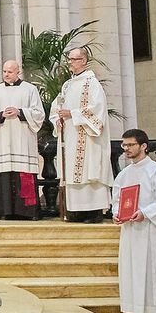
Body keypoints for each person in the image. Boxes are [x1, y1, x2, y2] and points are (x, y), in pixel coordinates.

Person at [112, 129, 156, 313]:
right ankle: (136, 311)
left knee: (151, 269)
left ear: (144, 146)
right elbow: (116, 199)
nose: (126, 149)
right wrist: (116, 213)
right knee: (131, 269)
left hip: (150, 229)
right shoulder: (124, 174)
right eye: (124, 145)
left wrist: (145, 213)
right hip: (130, 230)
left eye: (131, 145)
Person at [51, 47, 112, 220]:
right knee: (73, 173)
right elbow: (57, 106)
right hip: (70, 136)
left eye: (73, 59)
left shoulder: (92, 84)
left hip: (88, 138)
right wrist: (58, 118)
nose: (70, 62)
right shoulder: (67, 85)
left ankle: (94, 212)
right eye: (69, 59)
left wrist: (73, 114)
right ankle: (76, 211)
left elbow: (98, 111)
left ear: (84, 61)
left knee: (89, 172)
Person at [0, 60, 46, 219]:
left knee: (24, 174)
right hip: (3, 140)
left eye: (9, 71)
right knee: (3, 176)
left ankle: (27, 212)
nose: (6, 74)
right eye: (4, 71)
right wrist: (0, 114)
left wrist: (20, 112)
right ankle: (4, 212)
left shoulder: (30, 90)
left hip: (22, 140)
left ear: (18, 72)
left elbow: (39, 114)